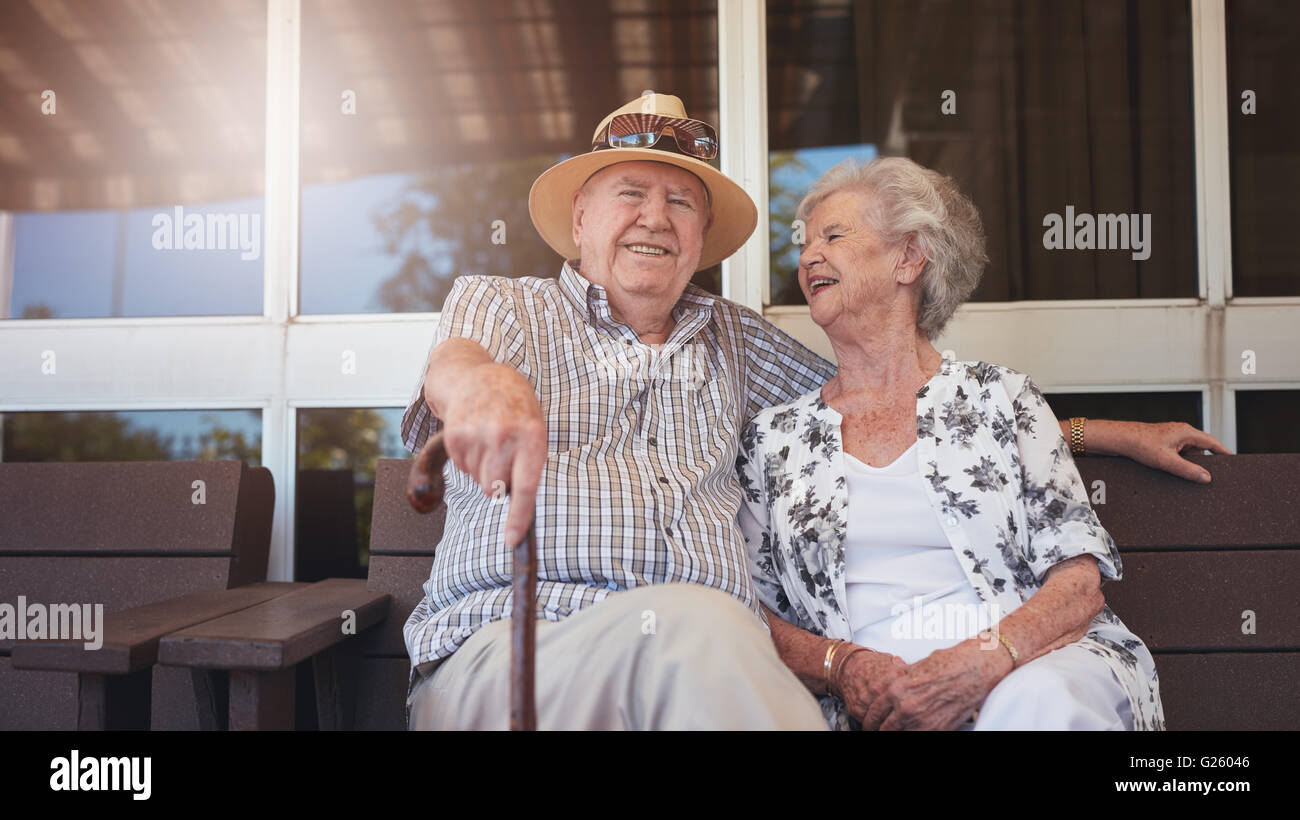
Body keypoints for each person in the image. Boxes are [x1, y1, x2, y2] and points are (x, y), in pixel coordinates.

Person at [399, 93, 1225, 730]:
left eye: (680, 203)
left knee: (710, 638)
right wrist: (485, 392)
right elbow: (459, 365)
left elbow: (895, 395)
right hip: (522, 651)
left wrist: (1107, 432)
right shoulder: (507, 310)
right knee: (702, 625)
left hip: (706, 678)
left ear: (700, 240)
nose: (655, 217)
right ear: (580, 218)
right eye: (629, 193)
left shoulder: (735, 345)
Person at [736, 157, 1218, 730]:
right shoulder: (775, 440)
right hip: (868, 702)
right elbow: (754, 612)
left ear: (909, 258)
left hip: (1024, 668)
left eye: (834, 235)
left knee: (1035, 704)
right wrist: (842, 666)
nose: (809, 255)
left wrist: (982, 665)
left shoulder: (1001, 399)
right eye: (805, 243)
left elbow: (1078, 584)